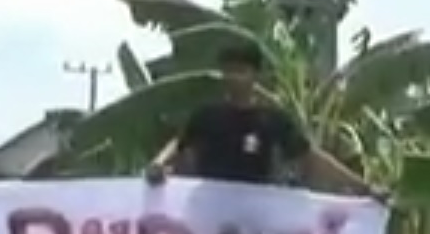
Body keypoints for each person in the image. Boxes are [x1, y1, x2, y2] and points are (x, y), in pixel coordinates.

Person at [145, 44, 376, 196]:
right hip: (207, 217)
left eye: (241, 71)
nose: (234, 78)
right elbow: (179, 144)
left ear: (256, 75)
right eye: (229, 71)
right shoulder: (207, 116)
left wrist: (364, 188)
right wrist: (158, 163)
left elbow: (312, 158)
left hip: (254, 224)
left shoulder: (271, 121)